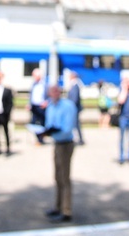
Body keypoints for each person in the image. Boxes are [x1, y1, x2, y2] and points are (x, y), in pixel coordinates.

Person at [42, 84, 77, 223]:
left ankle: (66, 210)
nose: (54, 93)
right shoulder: (50, 106)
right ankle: (58, 206)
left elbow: (67, 128)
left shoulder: (67, 106)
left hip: (65, 144)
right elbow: (48, 124)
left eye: (57, 90)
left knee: (65, 177)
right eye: (52, 91)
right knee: (57, 176)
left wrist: (53, 131)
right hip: (56, 143)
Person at [28, 69, 48, 143]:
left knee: (42, 122)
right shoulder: (33, 84)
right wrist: (29, 104)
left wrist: (46, 102)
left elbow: (49, 96)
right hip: (34, 106)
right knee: (34, 122)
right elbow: (31, 95)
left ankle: (41, 138)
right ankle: (38, 137)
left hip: (42, 106)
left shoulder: (45, 84)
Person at [66, 72, 84, 145]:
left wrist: (70, 107)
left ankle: (79, 139)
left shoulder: (75, 86)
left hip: (74, 108)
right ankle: (78, 138)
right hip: (74, 108)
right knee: (75, 124)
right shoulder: (74, 85)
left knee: (76, 124)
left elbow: (74, 98)